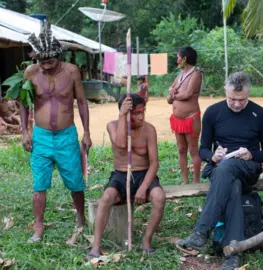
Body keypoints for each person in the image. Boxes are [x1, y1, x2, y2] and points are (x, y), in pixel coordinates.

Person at [176, 72, 263, 270]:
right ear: (225, 91)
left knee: (227, 169)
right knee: (233, 186)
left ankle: (202, 231)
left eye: (242, 100)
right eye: (232, 99)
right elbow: (202, 149)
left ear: (249, 94)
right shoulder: (213, 112)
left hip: (248, 167)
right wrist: (212, 157)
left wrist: (252, 154)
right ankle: (233, 254)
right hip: (221, 168)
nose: (237, 104)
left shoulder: (260, 114)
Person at [20, 21, 92, 243]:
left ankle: (80, 219)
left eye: (50, 61)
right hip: (40, 137)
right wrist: (25, 131)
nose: (46, 66)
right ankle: (39, 227)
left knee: (75, 181)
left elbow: (81, 102)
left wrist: (87, 132)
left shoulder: (72, 72)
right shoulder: (30, 73)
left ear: (59, 56)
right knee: (39, 183)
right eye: (41, 62)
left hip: (66, 136)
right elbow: (23, 103)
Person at [89, 94, 166, 258]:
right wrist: (122, 115)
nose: (141, 116)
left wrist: (143, 187)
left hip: (144, 174)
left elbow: (154, 163)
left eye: (143, 112)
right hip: (121, 175)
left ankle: (146, 241)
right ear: (125, 112)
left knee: (159, 197)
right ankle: (96, 246)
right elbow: (122, 144)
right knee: (106, 198)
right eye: (136, 113)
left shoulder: (149, 129)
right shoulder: (112, 126)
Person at [167, 46, 202, 184]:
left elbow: (187, 94)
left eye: (178, 57)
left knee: (193, 150)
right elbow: (169, 96)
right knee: (181, 149)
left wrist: (173, 93)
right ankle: (185, 180)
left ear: (185, 59)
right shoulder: (180, 75)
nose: (177, 60)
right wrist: (172, 94)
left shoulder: (196, 74)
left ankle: (196, 181)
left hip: (191, 118)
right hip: (177, 120)